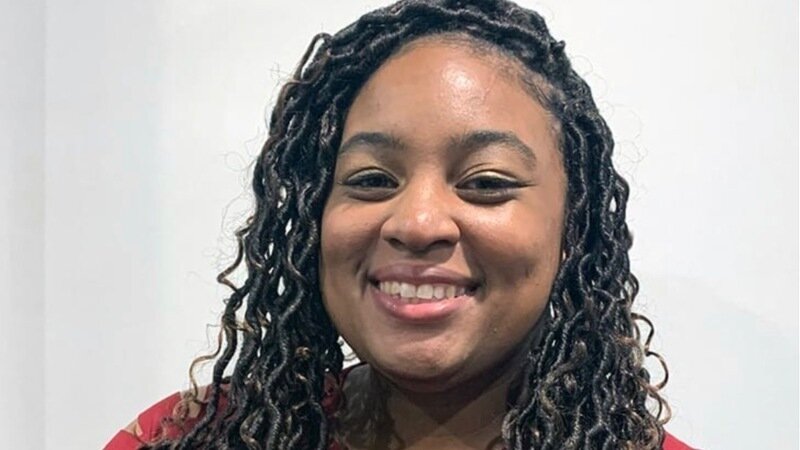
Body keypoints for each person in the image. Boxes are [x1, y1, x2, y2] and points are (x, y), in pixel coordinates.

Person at [105, 1, 695, 449]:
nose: (416, 223)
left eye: (486, 182)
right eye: (371, 179)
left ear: (573, 229)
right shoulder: (181, 440)